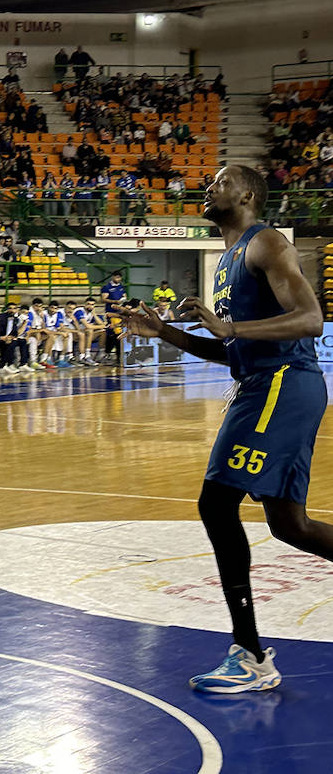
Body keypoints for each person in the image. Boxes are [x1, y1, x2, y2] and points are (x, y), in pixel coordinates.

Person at [126, 165, 329, 694]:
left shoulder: (266, 244)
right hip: (266, 383)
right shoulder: (226, 262)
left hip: (282, 383)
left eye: (218, 181)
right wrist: (164, 331)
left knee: (216, 504)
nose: (208, 188)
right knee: (291, 527)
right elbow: (230, 350)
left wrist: (232, 326)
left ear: (246, 194)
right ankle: (251, 654)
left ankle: (251, 654)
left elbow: (310, 319)